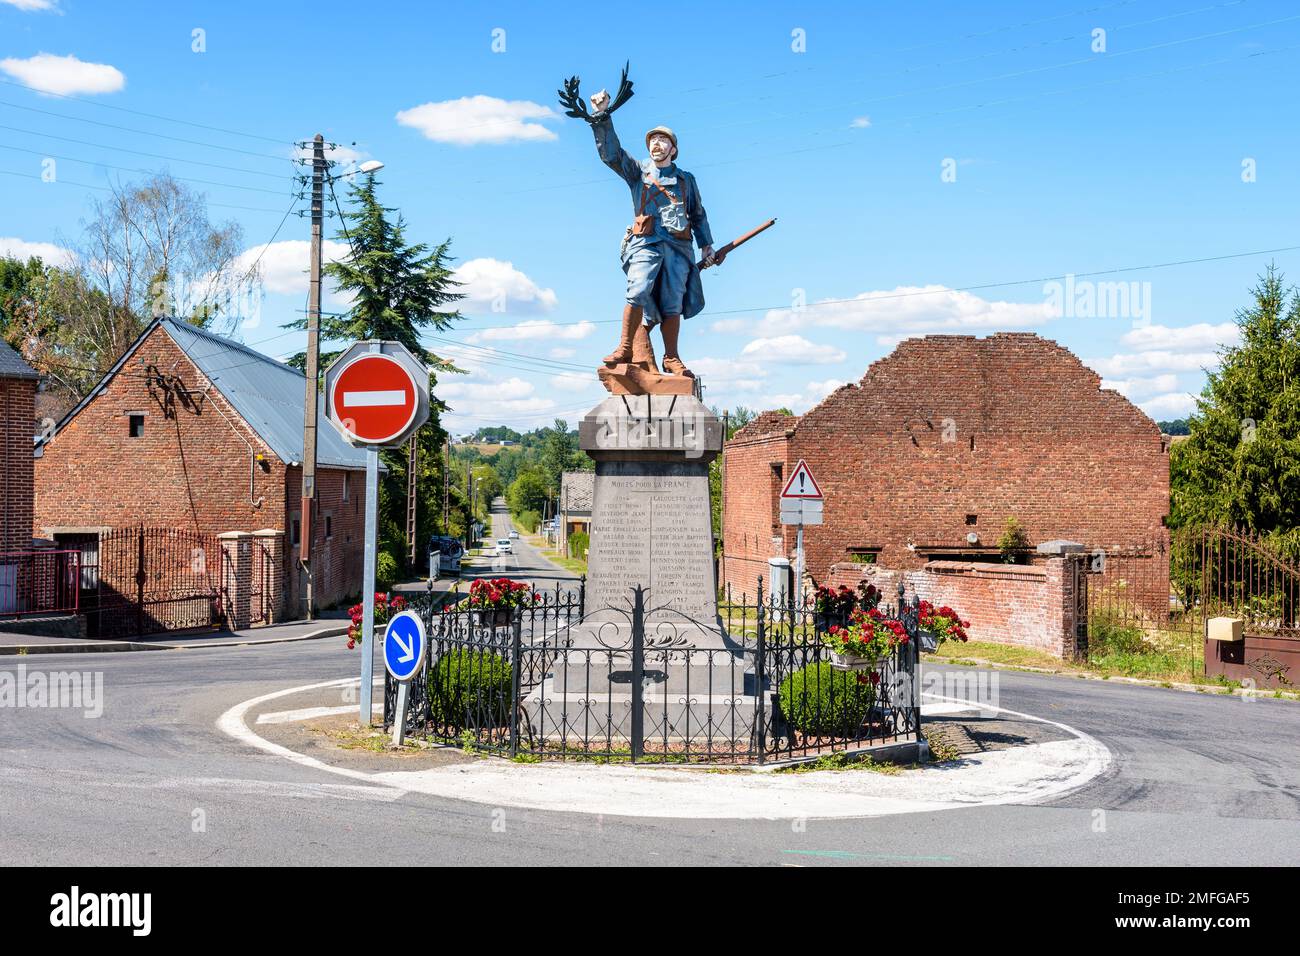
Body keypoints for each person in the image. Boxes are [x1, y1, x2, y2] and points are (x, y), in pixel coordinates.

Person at [588, 88, 724, 377]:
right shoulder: (638, 171)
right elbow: (611, 155)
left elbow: (698, 215)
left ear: (673, 149)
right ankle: (625, 346)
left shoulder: (686, 180)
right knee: (637, 290)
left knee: (673, 301)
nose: (657, 144)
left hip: (678, 247)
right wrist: (602, 115)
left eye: (663, 140)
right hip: (645, 242)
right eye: (653, 140)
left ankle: (671, 358)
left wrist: (706, 247)